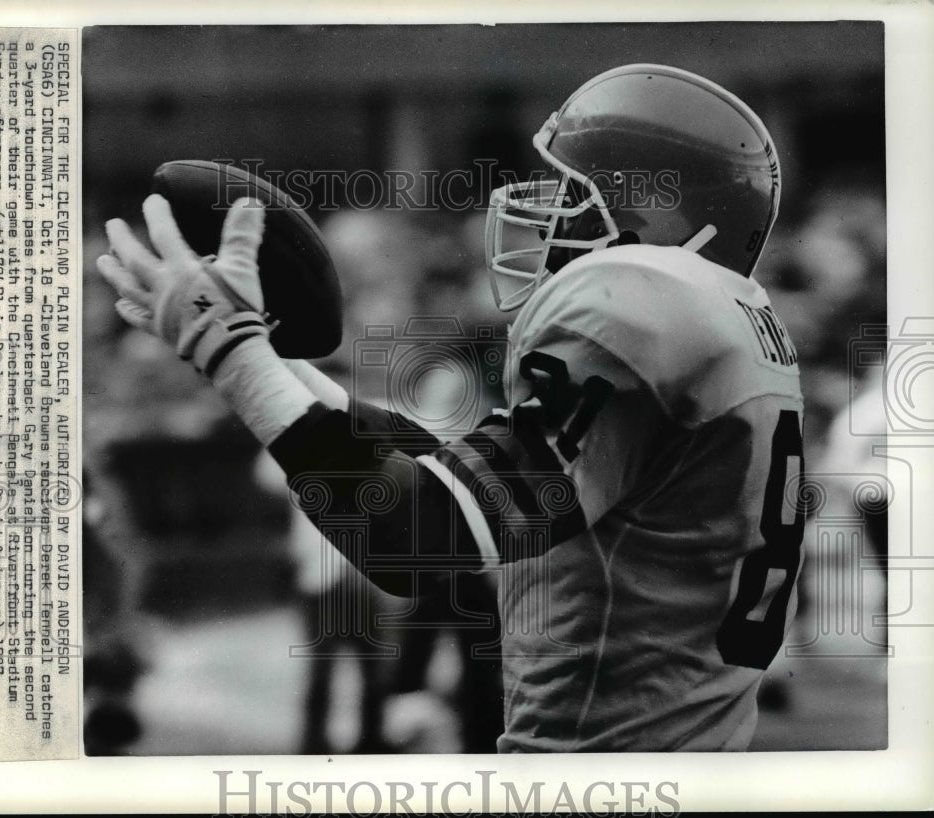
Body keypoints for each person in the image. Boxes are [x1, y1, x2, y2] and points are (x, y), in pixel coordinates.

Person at [98, 64, 805, 751]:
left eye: (573, 194)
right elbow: (456, 479)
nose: (546, 212)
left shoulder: (645, 303)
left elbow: (414, 539)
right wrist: (271, 359)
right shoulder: (727, 317)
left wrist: (234, 356)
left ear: (649, 213)